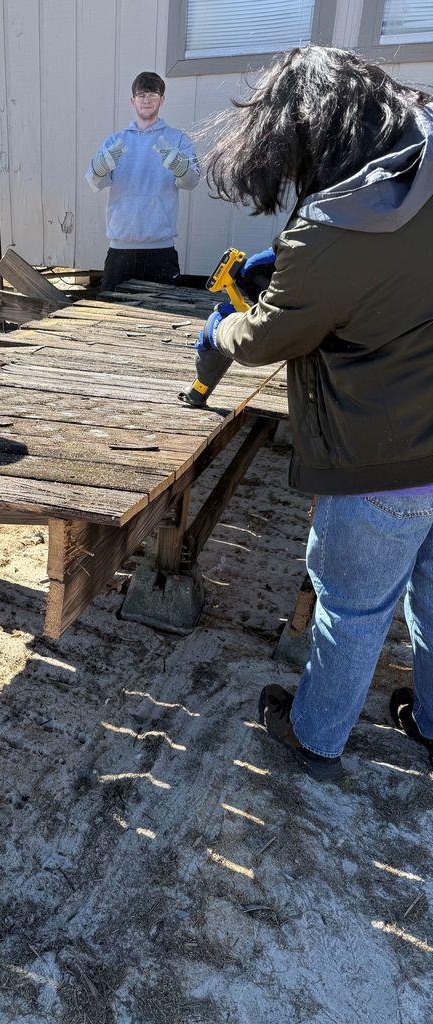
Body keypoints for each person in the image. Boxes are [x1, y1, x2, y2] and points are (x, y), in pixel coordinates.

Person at [195, 46, 433, 782]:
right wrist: (291, 272)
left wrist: (220, 331)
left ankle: (315, 738)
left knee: (353, 610)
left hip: (381, 460)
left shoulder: (334, 226)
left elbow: (268, 339)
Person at [85, 71, 200, 293]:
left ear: (162, 100)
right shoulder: (115, 141)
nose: (146, 100)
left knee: (161, 318)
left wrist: (180, 166)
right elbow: (94, 182)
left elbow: (191, 181)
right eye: (141, 95)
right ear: (133, 101)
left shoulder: (177, 139)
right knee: (112, 315)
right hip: (120, 250)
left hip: (160, 249)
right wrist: (99, 168)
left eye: (153, 94)